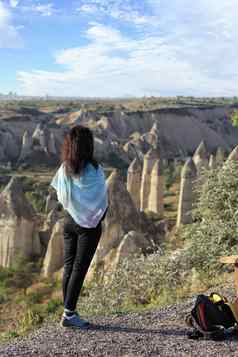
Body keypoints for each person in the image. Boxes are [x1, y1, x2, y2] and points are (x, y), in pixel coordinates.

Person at [50, 125, 108, 329]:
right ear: (88, 145)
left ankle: (68, 310)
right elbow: (102, 200)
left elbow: (60, 195)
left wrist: (74, 210)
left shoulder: (65, 167)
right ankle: (69, 314)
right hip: (89, 227)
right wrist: (97, 217)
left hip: (69, 222)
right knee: (79, 269)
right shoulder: (95, 169)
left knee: (69, 267)